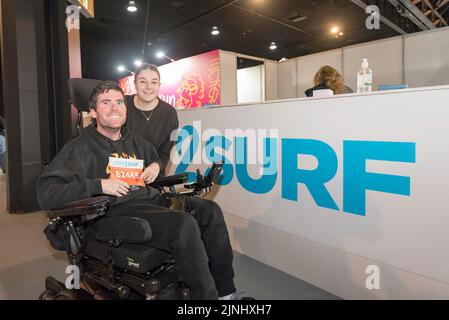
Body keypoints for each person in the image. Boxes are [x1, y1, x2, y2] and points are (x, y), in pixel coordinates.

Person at [36, 81, 245, 300]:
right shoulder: (79, 148)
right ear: (93, 112)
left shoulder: (138, 143)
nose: (115, 107)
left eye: (119, 102)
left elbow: (155, 167)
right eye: (106, 103)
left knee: (209, 210)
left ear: (126, 110)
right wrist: (100, 185)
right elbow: (46, 192)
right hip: (112, 214)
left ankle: (226, 294)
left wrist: (156, 167)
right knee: (182, 224)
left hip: (150, 202)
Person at [125, 63, 178, 182]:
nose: (149, 87)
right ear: (135, 84)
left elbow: (165, 153)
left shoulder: (169, 113)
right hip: (120, 174)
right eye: (143, 81)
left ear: (159, 85)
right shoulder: (122, 105)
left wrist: (157, 165)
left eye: (154, 82)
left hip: (151, 178)